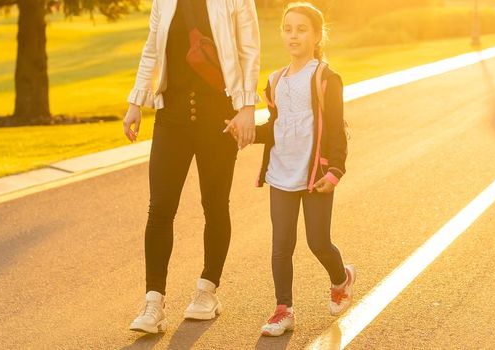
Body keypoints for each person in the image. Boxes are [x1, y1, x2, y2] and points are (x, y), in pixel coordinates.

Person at [121, 0, 261, 334]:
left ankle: (207, 290)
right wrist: (135, 101)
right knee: (160, 209)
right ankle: (153, 302)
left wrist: (247, 106)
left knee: (214, 205)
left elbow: (249, 49)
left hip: (219, 115)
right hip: (172, 116)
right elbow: (151, 50)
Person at [247, 2, 355, 337]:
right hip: (281, 172)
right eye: (288, 28)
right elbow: (276, 126)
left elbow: (337, 129)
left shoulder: (325, 78)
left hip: (315, 174)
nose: (293, 35)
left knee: (318, 242)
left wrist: (335, 171)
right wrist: (247, 132)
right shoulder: (275, 79)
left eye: (302, 29)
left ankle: (342, 278)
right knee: (281, 246)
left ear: (317, 35)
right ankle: (284, 310)